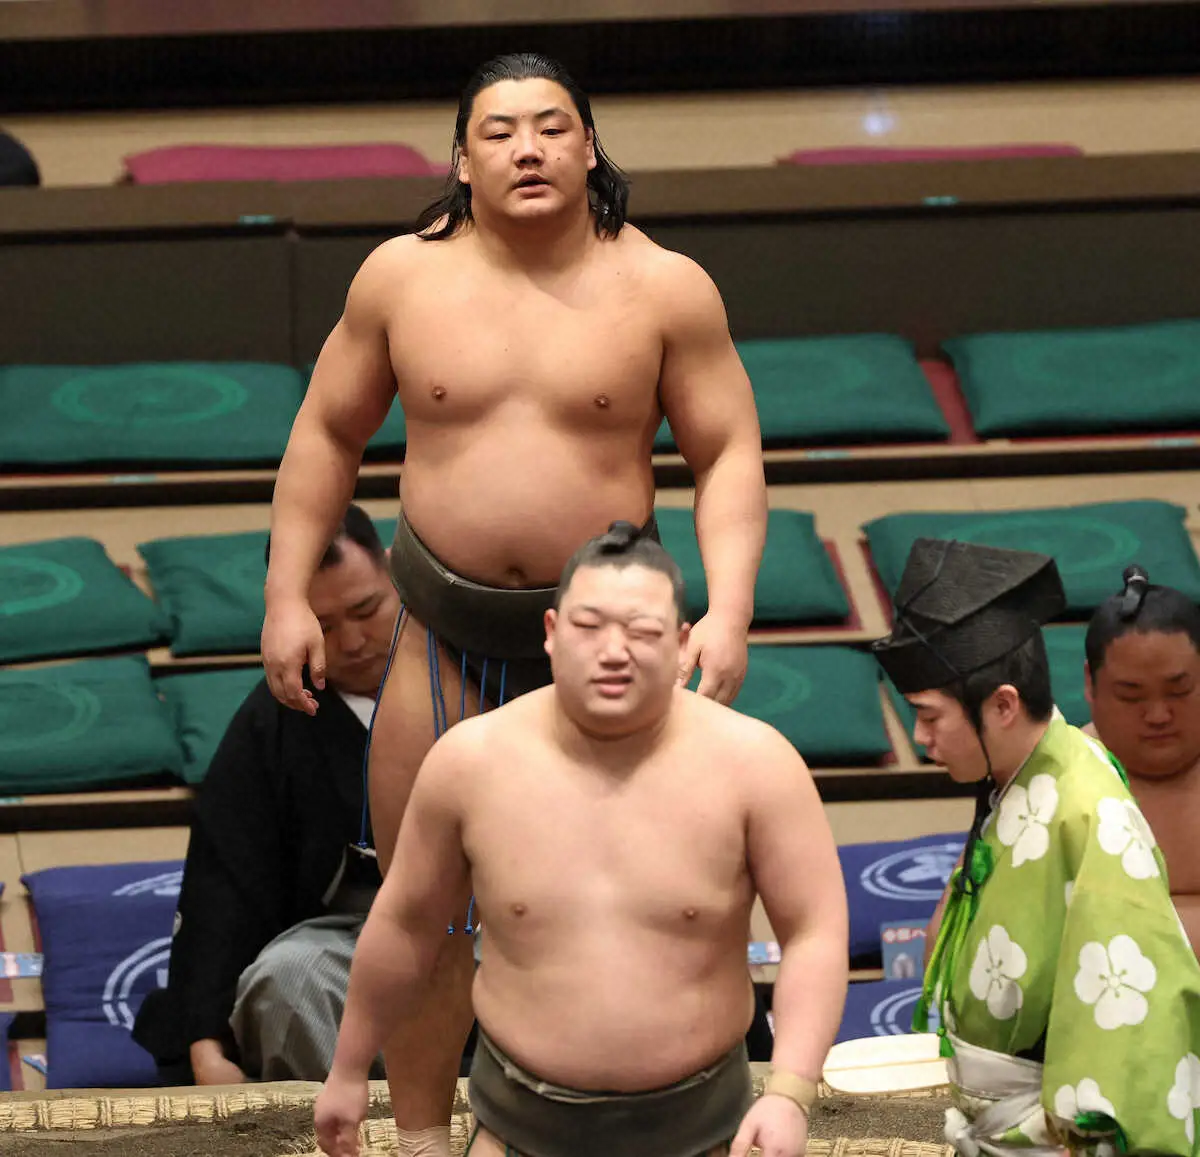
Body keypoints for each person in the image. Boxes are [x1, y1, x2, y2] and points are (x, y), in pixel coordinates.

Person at [261, 51, 767, 1149]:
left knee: (637, 898)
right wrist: (285, 592)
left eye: (551, 126)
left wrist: (727, 607)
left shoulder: (664, 286)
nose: (527, 149)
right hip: (441, 633)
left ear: (590, 146)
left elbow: (726, 450)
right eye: (499, 131)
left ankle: (644, 1125)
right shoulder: (399, 278)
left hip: (613, 645)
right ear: (461, 159)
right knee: (425, 906)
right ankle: (424, 1137)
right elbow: (328, 432)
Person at [312, 523, 848, 1157]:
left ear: (681, 642)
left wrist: (790, 1091)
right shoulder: (470, 763)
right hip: (518, 1123)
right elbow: (406, 926)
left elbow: (814, 931)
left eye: (642, 631)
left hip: (703, 1125)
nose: (613, 651)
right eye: (589, 626)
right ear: (551, 630)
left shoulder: (755, 765)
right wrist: (348, 1069)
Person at [872, 538, 1200, 1157]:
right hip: (994, 1104)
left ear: (1002, 705)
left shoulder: (1087, 809)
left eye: (930, 716)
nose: (919, 738)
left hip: (1051, 1129)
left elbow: (1134, 1019)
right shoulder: (1027, 776)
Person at [132, 506, 398, 1086]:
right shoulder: (273, 724)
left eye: (367, 610)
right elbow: (223, 886)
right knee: (289, 980)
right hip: (356, 944)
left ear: (394, 573)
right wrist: (205, 1047)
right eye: (323, 626)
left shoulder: (478, 671)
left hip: (493, 929)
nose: (353, 641)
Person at [1084, 565, 1200, 954]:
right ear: (1090, 685)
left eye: (1179, 691)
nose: (1158, 715)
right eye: (1131, 696)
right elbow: (961, 934)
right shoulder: (1049, 781)